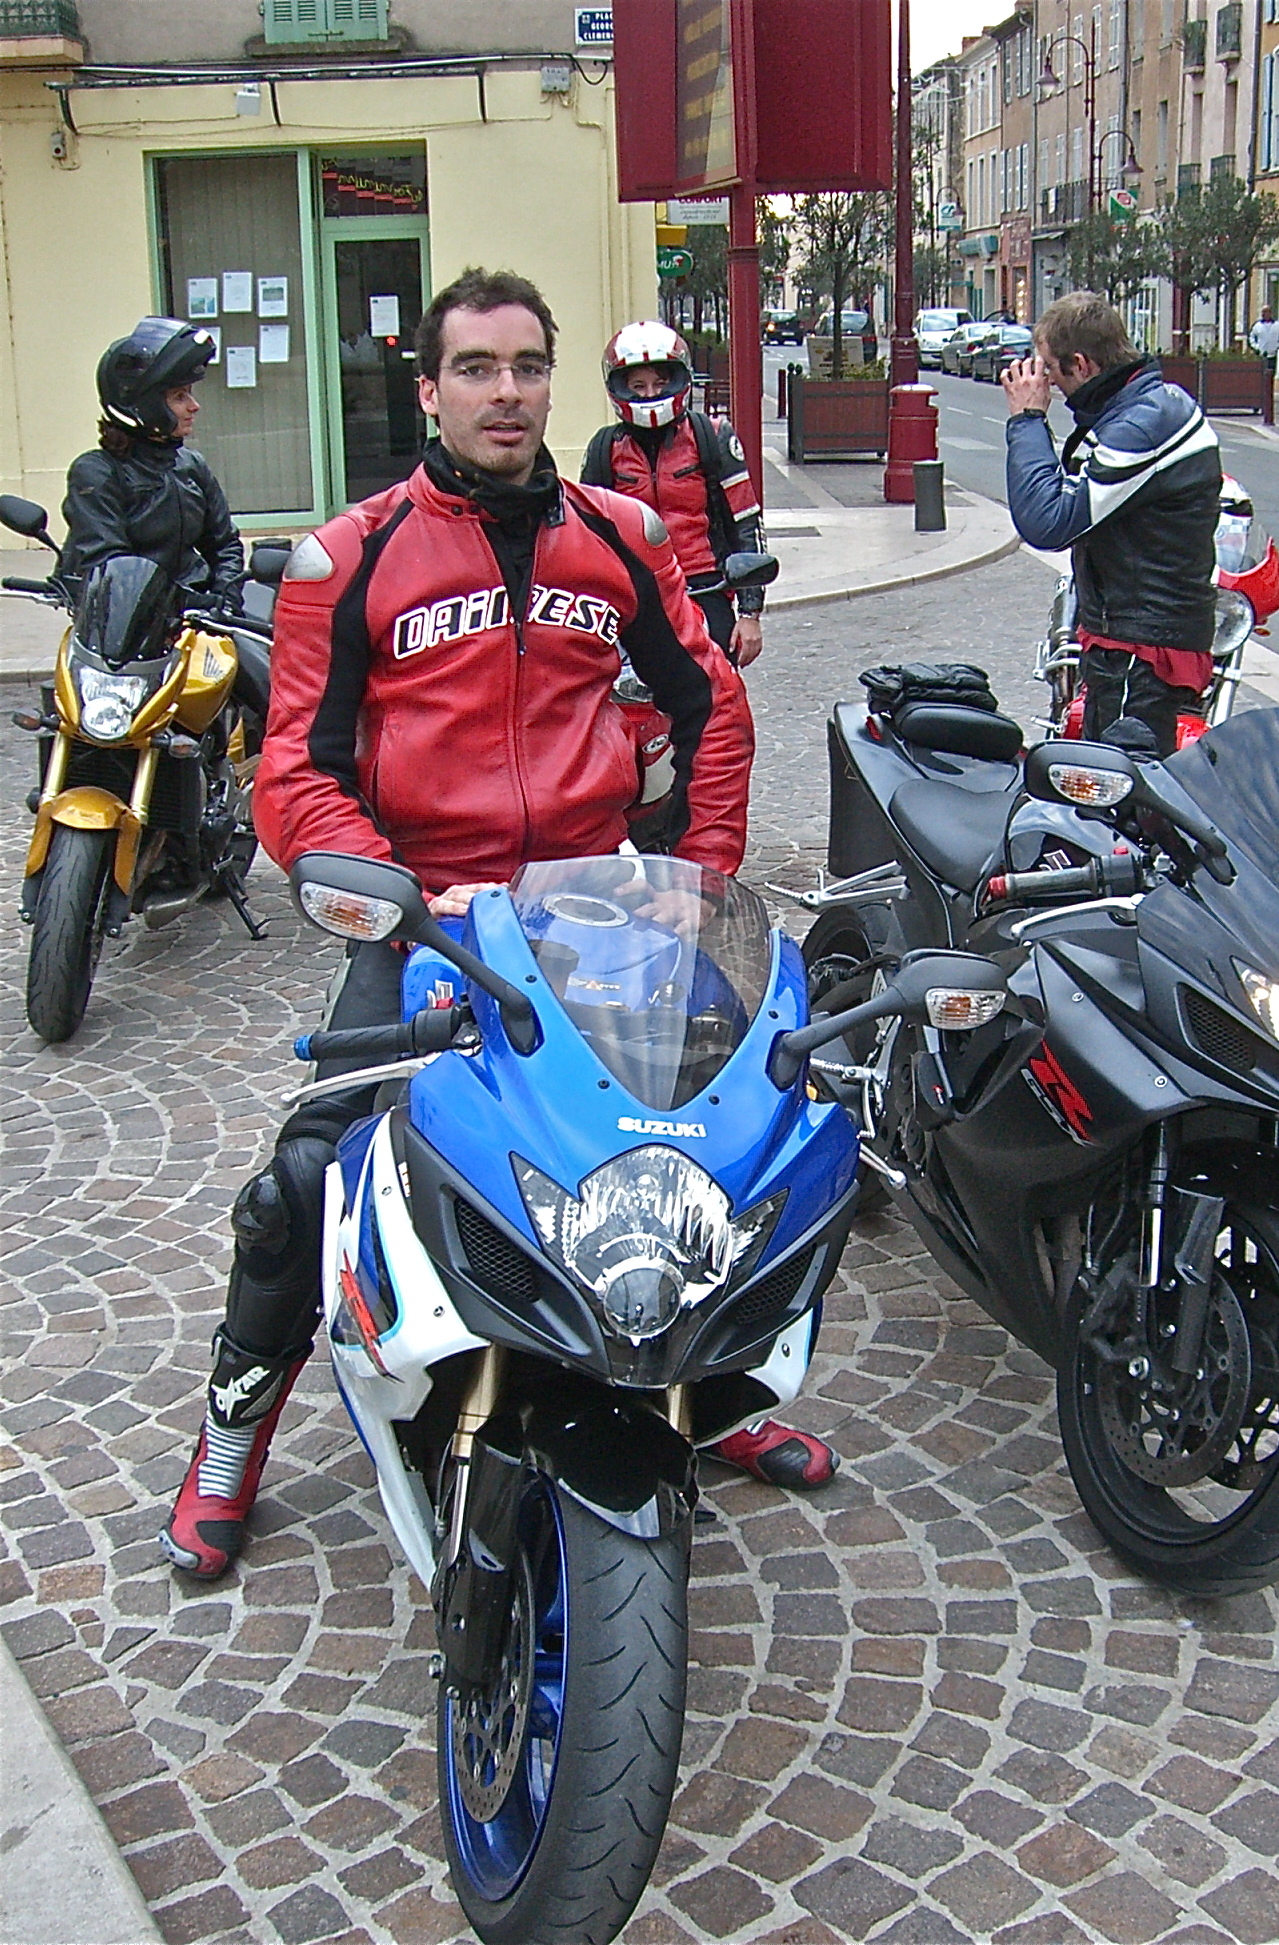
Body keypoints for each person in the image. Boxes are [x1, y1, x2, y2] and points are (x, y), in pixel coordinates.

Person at [160, 267, 833, 1582]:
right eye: (475, 367)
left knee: (738, 1143)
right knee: (303, 1180)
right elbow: (295, 768)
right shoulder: (347, 558)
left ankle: (712, 1381)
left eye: (526, 365)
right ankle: (229, 1440)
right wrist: (389, 889)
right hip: (429, 918)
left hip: (600, 905)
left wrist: (693, 880)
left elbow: (710, 706)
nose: (505, 391)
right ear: (428, 389)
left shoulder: (621, 536)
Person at [1001, 290, 1222, 757]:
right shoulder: (1146, 408)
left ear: (1082, 365)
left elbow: (1046, 522)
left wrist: (1027, 420)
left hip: (1139, 647)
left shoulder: (1143, 426)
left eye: (1051, 369)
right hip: (1140, 635)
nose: (1047, 383)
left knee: (1119, 779)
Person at [581, 322, 767, 668]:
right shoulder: (603, 449)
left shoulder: (712, 437)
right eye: (638, 386)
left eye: (660, 383)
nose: (650, 394)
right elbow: (586, 537)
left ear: (679, 381)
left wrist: (750, 613)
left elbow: (746, 524)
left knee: (721, 695)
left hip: (705, 589)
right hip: (635, 597)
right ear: (619, 388)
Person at [59, 318, 244, 608]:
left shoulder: (191, 464)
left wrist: (224, 597)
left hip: (198, 613)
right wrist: (170, 605)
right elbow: (106, 562)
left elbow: (224, 545)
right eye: (179, 397)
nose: (193, 406)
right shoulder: (97, 472)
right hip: (129, 618)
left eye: (190, 393)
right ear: (145, 404)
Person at [1248, 306, 1279, 372]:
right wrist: (1256, 347)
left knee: (1271, 372)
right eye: (1265, 312)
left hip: (1273, 355)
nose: (1266, 314)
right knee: (1261, 372)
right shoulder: (1257, 325)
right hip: (1261, 354)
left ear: (1271, 313)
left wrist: (1278, 345)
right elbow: (1251, 337)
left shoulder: (1277, 325)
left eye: (1268, 312)